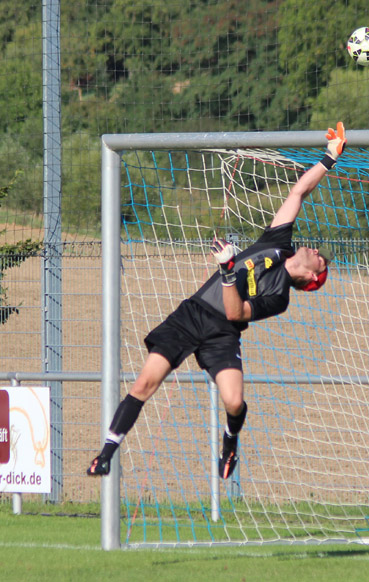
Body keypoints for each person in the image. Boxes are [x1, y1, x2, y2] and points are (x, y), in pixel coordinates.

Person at [87, 122, 346, 479]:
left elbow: (235, 311)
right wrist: (330, 158)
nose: (316, 250)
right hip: (191, 316)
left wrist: (227, 271)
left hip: (223, 331)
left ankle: (230, 441)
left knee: (234, 402)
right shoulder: (277, 242)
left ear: (311, 278)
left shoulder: (279, 297)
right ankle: (105, 453)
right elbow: (298, 193)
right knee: (144, 384)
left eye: (321, 259)